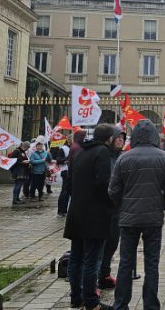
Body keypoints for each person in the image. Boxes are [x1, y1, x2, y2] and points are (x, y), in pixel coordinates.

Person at [109, 120, 165, 310]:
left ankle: (121, 304)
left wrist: (122, 206)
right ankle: (150, 305)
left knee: (125, 263)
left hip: (128, 218)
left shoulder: (124, 158)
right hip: (153, 218)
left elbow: (113, 189)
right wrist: (161, 204)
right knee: (152, 263)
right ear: (155, 136)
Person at [63, 124, 116, 310]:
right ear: (109, 138)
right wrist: (110, 203)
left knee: (76, 257)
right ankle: (91, 302)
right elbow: (103, 182)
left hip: (77, 212)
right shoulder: (102, 152)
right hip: (94, 214)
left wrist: (79, 199)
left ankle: (76, 297)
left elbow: (69, 183)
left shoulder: (80, 152)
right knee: (91, 260)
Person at [98, 128, 126, 290]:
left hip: (117, 208)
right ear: (110, 139)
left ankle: (105, 273)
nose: (121, 140)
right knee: (101, 244)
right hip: (103, 207)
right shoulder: (104, 157)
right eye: (118, 138)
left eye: (123, 138)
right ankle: (97, 276)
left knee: (113, 242)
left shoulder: (120, 158)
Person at [56, 136, 71, 217]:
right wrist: (66, 159)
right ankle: (61, 211)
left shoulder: (76, 147)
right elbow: (58, 160)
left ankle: (67, 210)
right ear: (68, 140)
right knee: (65, 192)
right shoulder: (63, 148)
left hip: (73, 172)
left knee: (69, 192)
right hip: (65, 172)